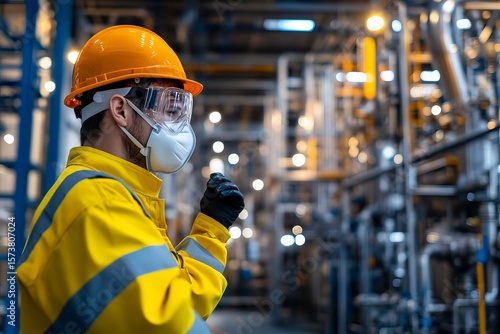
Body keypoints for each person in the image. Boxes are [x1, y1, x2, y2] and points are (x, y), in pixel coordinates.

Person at [18, 25, 245, 333]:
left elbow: (176, 306)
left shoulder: (119, 198)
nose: (179, 126)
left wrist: (210, 231)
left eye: (181, 110)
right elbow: (168, 327)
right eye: (168, 107)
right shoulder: (99, 205)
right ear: (121, 109)